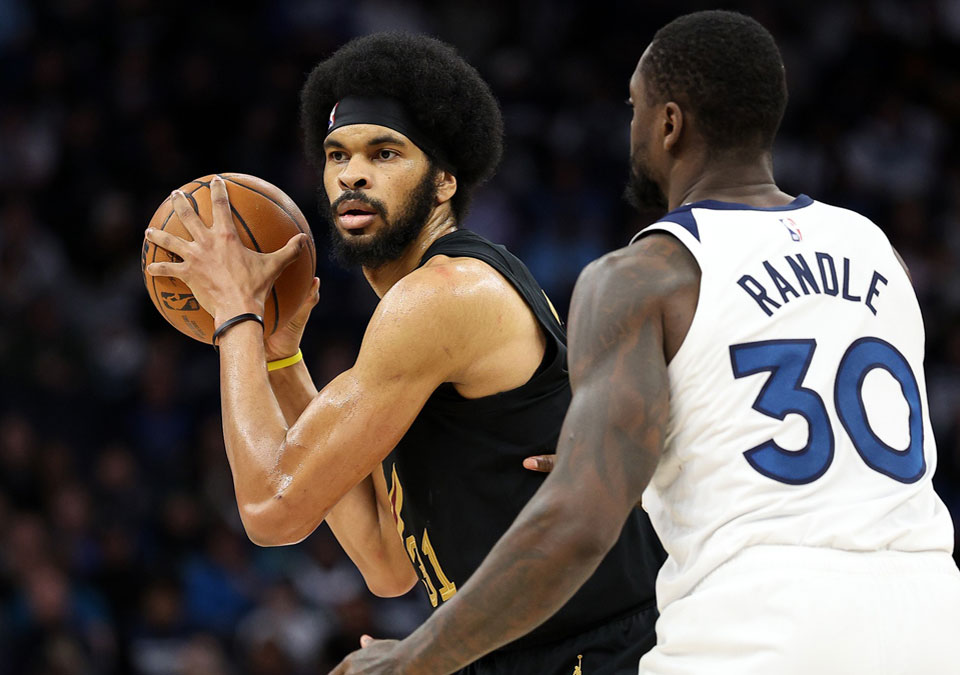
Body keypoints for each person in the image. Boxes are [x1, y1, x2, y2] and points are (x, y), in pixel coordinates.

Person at [332, 11, 960, 675]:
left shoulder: (642, 277)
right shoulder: (876, 249)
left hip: (760, 635)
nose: (632, 128)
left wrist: (413, 658)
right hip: (938, 626)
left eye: (635, 109)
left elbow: (578, 526)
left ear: (669, 124)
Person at [143, 32, 663, 675]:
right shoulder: (429, 310)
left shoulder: (441, 299)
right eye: (337, 155)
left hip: (602, 648)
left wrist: (236, 316)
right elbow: (387, 562)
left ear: (444, 181)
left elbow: (269, 512)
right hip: (524, 650)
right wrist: (280, 359)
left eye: (384, 153)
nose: (352, 173)